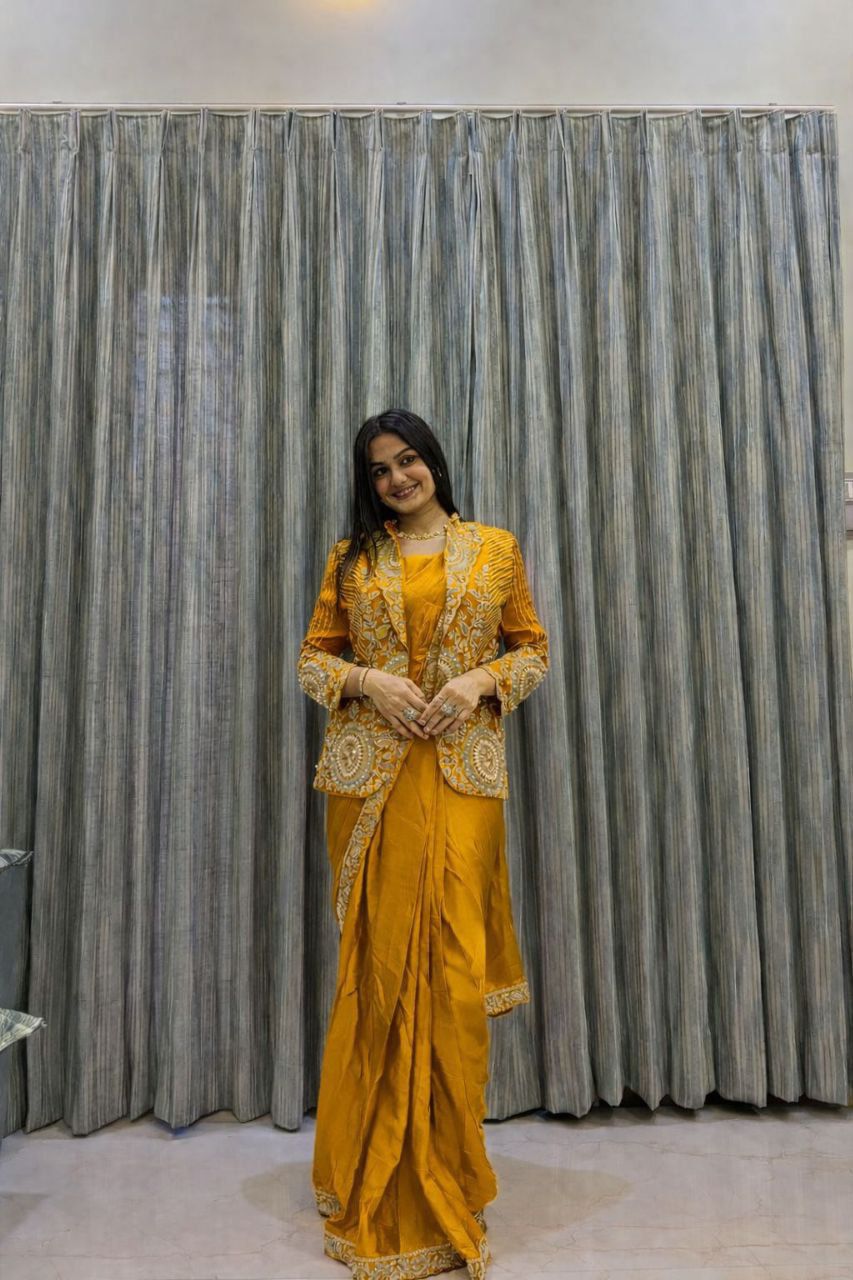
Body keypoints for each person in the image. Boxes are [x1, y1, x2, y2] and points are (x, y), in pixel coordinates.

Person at [297, 408, 549, 1279]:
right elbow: (312, 661)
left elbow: (531, 650)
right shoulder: (351, 560)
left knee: (450, 973)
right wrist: (367, 680)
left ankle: (449, 1175)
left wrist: (480, 681)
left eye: (408, 461)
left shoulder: (495, 549)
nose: (397, 478)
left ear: (433, 462)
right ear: (367, 484)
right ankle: (366, 1170)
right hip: (371, 784)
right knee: (380, 974)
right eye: (379, 470)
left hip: (459, 780)